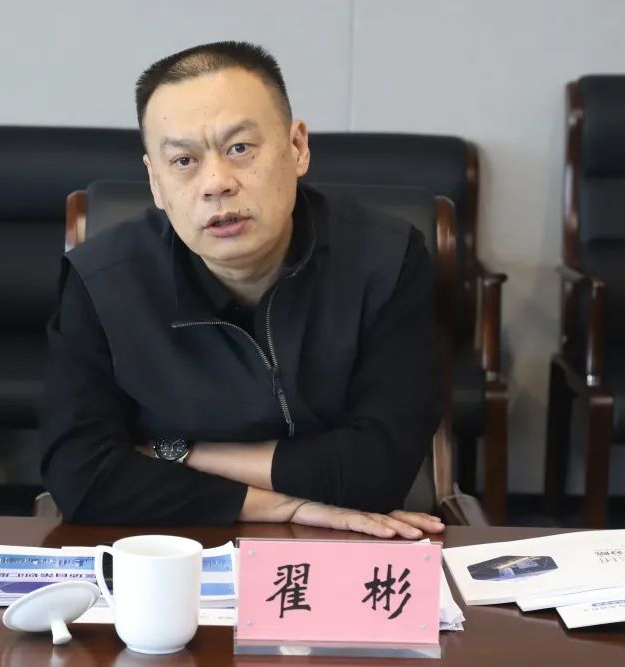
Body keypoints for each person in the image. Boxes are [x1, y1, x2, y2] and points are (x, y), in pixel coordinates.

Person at [41, 41, 444, 539]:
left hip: (344, 546)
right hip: (171, 549)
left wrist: (177, 454)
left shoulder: (386, 259)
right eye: (183, 160)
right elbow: (81, 477)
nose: (216, 183)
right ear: (155, 182)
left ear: (297, 147)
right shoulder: (102, 281)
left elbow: (376, 471)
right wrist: (286, 508)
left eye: (239, 149)